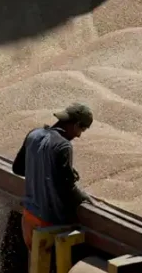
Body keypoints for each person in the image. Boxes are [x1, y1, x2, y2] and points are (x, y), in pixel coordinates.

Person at [12, 102, 96, 248]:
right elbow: (66, 188)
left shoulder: (33, 134)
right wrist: (85, 198)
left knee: (34, 264)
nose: (79, 135)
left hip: (29, 216)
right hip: (49, 223)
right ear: (75, 125)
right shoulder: (63, 146)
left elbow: (18, 168)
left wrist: (43, 169)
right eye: (82, 129)